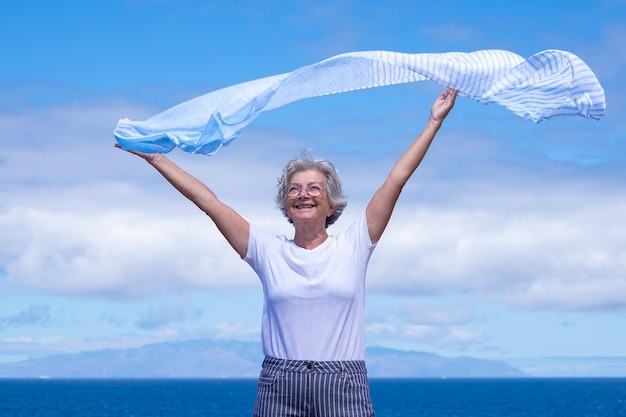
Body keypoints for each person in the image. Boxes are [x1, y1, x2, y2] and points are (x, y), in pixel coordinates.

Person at [117, 87, 457, 417]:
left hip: (342, 386)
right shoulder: (266, 250)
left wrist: (433, 123)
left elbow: (395, 180)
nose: (303, 194)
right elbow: (210, 203)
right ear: (286, 203)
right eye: (294, 189)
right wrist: (156, 157)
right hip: (280, 388)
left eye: (314, 188)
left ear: (331, 204)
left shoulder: (355, 244)